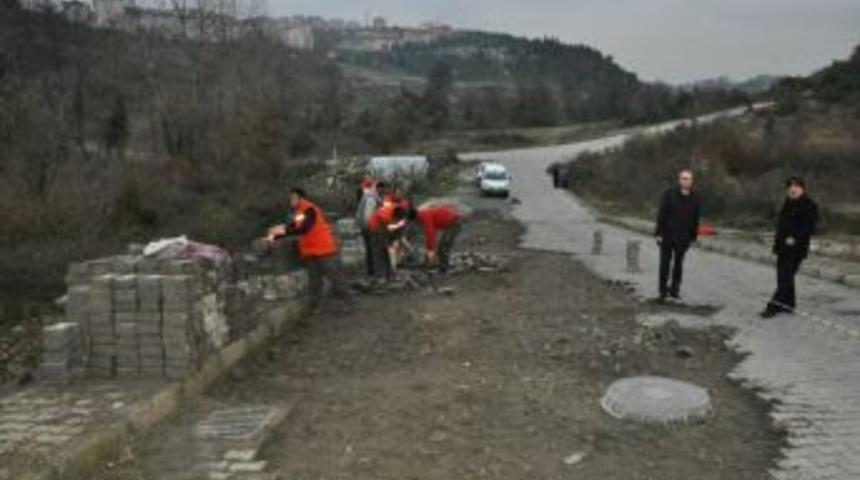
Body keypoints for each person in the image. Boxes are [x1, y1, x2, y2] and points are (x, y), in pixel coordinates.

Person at [266, 188, 347, 313]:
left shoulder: (310, 209)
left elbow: (304, 229)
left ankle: (347, 302)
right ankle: (315, 307)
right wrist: (274, 236)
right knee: (314, 280)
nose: (291, 200)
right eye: (290, 198)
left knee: (334, 276)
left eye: (293, 197)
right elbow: (292, 227)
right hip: (310, 251)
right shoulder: (298, 212)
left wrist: (281, 231)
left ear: (301, 198)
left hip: (322, 248)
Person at [760, 177, 818, 318]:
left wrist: (796, 238)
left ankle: (772, 307)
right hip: (782, 247)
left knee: (785, 278)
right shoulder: (788, 202)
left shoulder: (809, 204)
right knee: (784, 277)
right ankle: (789, 305)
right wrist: (777, 243)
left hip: (796, 248)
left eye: (796, 186)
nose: (793, 189)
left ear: (802, 188)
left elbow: (809, 227)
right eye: (790, 186)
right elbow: (782, 225)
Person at [654, 169, 701, 301]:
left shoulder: (695, 197)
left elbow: (695, 218)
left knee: (679, 264)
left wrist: (693, 236)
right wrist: (658, 233)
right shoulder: (669, 194)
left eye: (689, 179)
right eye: (684, 178)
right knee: (665, 264)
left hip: (684, 236)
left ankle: (675, 290)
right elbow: (661, 214)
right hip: (667, 235)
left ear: (692, 181)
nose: (687, 181)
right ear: (679, 180)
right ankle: (662, 291)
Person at [398, 204, 465, 273]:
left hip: (454, 223)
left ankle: (443, 269)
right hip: (452, 223)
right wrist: (429, 248)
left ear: (414, 218)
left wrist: (430, 249)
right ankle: (442, 267)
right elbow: (429, 234)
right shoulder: (423, 214)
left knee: (443, 246)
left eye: (413, 221)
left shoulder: (425, 216)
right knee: (442, 246)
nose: (415, 223)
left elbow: (430, 234)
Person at [355, 179, 382, 276]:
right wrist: (372, 228)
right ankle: (374, 272)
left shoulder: (370, 196)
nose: (382, 191)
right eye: (381, 188)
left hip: (365, 227)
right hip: (369, 227)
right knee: (373, 249)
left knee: (370, 250)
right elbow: (368, 215)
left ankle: (371, 271)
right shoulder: (371, 198)